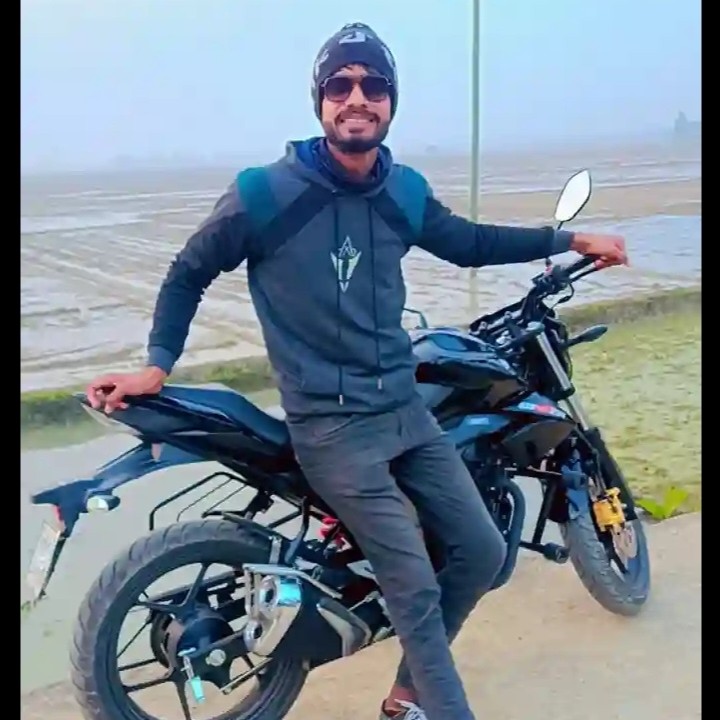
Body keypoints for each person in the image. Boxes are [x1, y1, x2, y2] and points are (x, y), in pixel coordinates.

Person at [86, 22, 628, 720]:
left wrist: (570, 238)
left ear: (391, 102)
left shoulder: (402, 191)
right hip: (332, 428)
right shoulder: (264, 193)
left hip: (404, 411)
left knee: (482, 549)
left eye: (373, 86)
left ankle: (405, 696)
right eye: (340, 85)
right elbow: (188, 272)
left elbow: (468, 242)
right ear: (319, 101)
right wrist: (156, 367)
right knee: (414, 586)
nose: (357, 98)